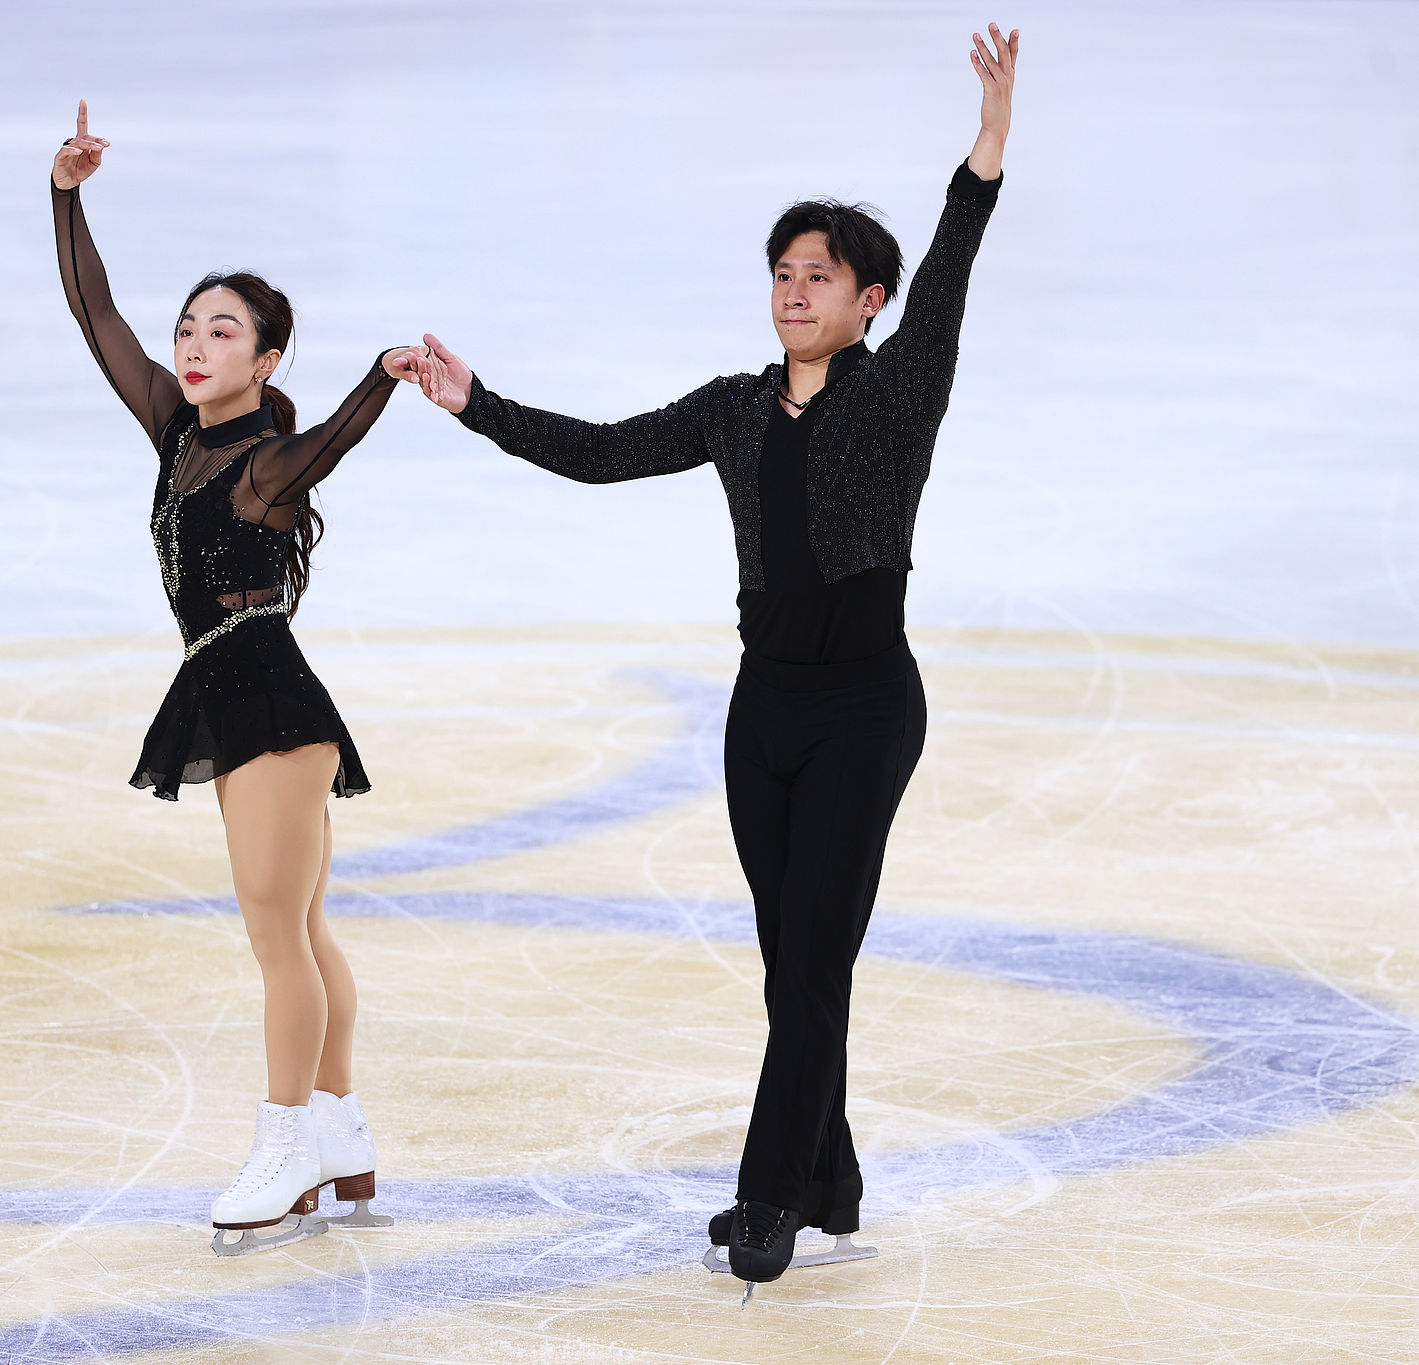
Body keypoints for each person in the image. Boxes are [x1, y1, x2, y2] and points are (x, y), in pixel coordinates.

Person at [401, 26, 1020, 1291]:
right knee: (787, 957)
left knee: (811, 960)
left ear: (867, 304)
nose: (795, 290)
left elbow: (954, 263)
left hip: (862, 709)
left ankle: (768, 1198)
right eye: (783, 271)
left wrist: (987, 145)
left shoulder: (897, 393)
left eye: (821, 275)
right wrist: (481, 406)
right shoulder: (734, 408)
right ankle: (832, 1174)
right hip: (763, 710)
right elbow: (604, 450)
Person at [51, 102, 429, 1256]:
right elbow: (96, 314)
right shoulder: (175, 432)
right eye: (192, 327)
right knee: (303, 930)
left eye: (224, 332)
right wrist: (66, 194)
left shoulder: (262, 460)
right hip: (230, 695)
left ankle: (284, 1143)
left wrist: (375, 379)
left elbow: (333, 447)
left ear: (265, 362)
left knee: (275, 937)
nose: (194, 342)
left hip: (270, 708)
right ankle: (340, 1128)